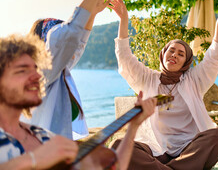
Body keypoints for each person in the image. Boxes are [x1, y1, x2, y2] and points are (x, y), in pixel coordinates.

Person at [108, 0, 218, 169]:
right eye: (171, 51)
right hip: (155, 149)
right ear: (163, 54)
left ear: (186, 62)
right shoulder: (147, 78)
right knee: (117, 146)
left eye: (181, 54)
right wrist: (124, 20)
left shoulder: (194, 80)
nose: (174, 55)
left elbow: (213, 60)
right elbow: (125, 59)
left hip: (188, 150)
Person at [0, 34, 157, 170]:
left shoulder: (43, 137)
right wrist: (34, 160)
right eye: (22, 70)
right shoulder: (46, 148)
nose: (37, 76)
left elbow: (114, 167)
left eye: (36, 69)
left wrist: (133, 126)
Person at [21, 0, 120, 140]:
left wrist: (92, 15)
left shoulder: (55, 71)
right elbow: (68, 37)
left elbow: (77, 44)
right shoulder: (40, 72)